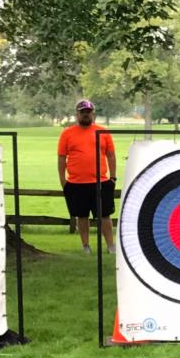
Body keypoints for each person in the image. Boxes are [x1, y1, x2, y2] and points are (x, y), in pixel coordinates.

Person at [57, 99, 115, 254]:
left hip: (101, 181)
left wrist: (113, 177)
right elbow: (62, 158)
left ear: (93, 114)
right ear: (77, 114)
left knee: (104, 216)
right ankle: (86, 246)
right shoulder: (67, 134)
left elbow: (111, 155)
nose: (86, 115)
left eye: (88, 112)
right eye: (82, 113)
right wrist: (63, 181)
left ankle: (111, 246)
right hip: (76, 183)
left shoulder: (103, 132)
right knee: (82, 216)